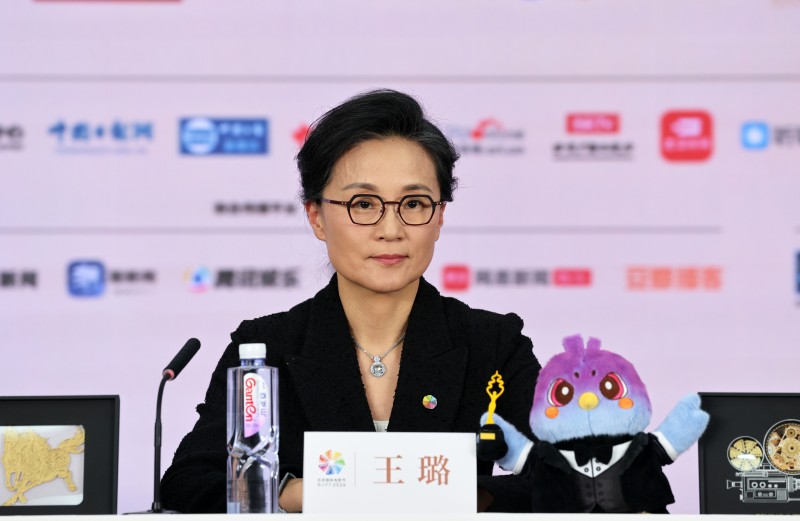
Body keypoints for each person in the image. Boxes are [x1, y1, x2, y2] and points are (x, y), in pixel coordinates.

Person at [160, 89, 541, 513]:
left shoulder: (493, 345)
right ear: (316, 217)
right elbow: (189, 483)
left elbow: (569, 476)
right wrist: (295, 493)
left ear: (439, 217)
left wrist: (464, 495)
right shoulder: (266, 350)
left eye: (414, 203)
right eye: (363, 204)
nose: (390, 229)